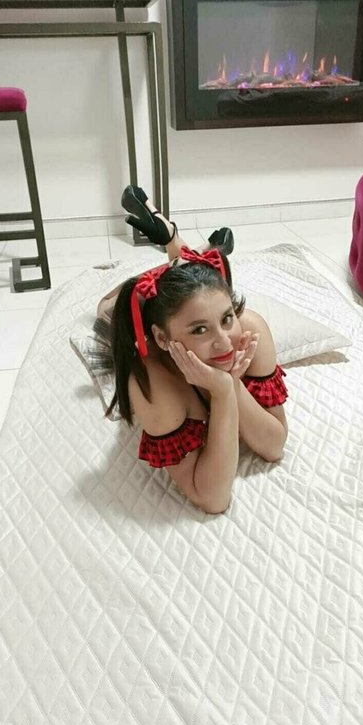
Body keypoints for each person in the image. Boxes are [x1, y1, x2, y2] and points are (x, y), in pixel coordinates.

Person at [97, 185, 288, 514]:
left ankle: (179, 249)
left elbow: (274, 447)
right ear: (162, 339)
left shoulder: (249, 331)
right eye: (200, 329)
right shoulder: (155, 383)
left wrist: (232, 386)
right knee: (105, 309)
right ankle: (179, 251)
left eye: (227, 318)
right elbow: (212, 498)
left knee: (192, 299)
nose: (224, 342)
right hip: (150, 331)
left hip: (176, 314)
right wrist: (223, 392)